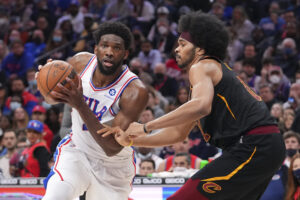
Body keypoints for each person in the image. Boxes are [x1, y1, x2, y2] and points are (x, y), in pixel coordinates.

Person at [99, 12, 285, 200]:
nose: (176, 50)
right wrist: (132, 141)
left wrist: (147, 126)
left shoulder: (202, 66)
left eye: (182, 44)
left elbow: (201, 106)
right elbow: (177, 134)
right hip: (264, 146)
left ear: (200, 48)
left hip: (254, 145)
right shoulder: (207, 82)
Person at [42, 21, 148, 200]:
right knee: (56, 196)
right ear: (96, 48)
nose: (109, 52)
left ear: (125, 54)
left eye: (116, 48)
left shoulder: (135, 91)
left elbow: (112, 147)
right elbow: (52, 99)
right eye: (105, 46)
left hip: (113, 165)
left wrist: (80, 105)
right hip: (78, 151)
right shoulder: (80, 63)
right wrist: (46, 82)